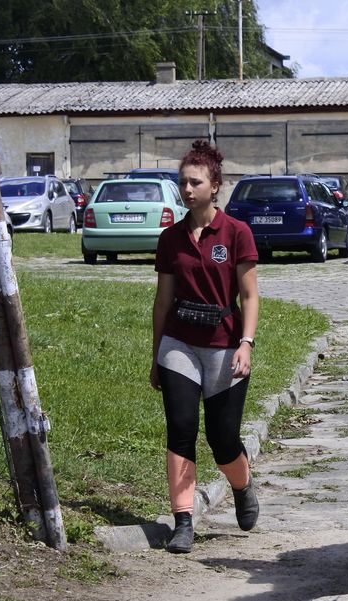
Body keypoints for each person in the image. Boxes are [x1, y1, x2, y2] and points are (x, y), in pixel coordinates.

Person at [151, 140, 261, 553]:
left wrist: (245, 344)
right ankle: (183, 520)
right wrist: (156, 353)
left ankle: (242, 483)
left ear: (215, 185)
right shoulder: (171, 238)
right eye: (182, 182)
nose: (187, 189)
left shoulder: (236, 233)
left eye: (195, 182)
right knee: (180, 428)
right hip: (179, 343)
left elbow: (249, 296)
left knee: (223, 438)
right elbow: (162, 300)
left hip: (224, 345)